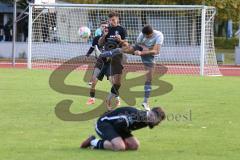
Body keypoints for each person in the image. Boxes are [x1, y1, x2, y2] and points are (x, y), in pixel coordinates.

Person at [97, 25, 164, 111]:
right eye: (145, 36)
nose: (146, 37)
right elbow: (138, 44)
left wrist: (142, 53)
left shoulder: (159, 35)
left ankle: (145, 102)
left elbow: (156, 51)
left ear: (152, 33)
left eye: (148, 36)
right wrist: (141, 49)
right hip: (140, 49)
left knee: (149, 79)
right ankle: (101, 54)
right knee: (123, 49)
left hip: (149, 56)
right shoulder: (141, 35)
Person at [80, 106, 165, 151]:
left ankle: (105, 145)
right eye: (158, 120)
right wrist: (119, 141)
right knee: (120, 147)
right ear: (151, 114)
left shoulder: (147, 120)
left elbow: (122, 126)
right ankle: (92, 142)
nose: (158, 123)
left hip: (120, 127)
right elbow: (118, 124)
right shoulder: (137, 116)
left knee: (134, 146)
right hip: (104, 124)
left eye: (159, 121)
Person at [98, 11, 127, 110]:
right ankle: (110, 101)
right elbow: (100, 43)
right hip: (108, 58)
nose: (111, 22)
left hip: (118, 57)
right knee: (111, 80)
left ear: (117, 19)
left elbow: (126, 45)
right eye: (110, 20)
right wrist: (104, 35)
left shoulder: (122, 30)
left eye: (113, 20)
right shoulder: (107, 29)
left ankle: (109, 98)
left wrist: (120, 40)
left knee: (117, 83)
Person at [85, 21, 109, 105]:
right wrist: (87, 54)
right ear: (100, 28)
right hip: (99, 62)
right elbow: (92, 47)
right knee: (93, 82)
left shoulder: (111, 38)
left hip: (108, 64)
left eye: (106, 26)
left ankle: (117, 98)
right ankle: (92, 99)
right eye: (102, 26)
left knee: (114, 83)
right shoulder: (96, 38)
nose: (104, 28)